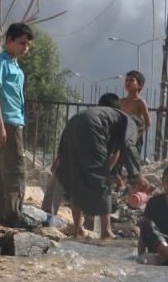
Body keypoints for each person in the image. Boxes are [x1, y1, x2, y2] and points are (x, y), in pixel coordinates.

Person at [55, 98, 148, 239]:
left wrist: (101, 174)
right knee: (102, 181)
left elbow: (112, 155)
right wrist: (137, 175)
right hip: (91, 126)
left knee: (76, 178)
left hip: (72, 124)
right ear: (139, 129)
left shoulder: (114, 122)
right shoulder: (131, 123)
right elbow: (129, 145)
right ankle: (106, 231)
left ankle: (78, 229)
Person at [0, 22, 36, 229]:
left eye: (28, 44)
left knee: (5, 170)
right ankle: (14, 215)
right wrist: (0, 126)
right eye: (22, 43)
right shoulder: (1, 63)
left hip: (16, 121)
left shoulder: (15, 66)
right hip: (8, 122)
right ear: (9, 41)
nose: (26, 48)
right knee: (17, 170)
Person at [114, 71, 152, 190]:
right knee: (117, 159)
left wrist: (138, 134)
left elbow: (147, 121)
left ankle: (135, 185)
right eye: (127, 80)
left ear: (139, 85)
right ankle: (119, 184)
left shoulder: (140, 102)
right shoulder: (121, 101)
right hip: (121, 135)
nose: (128, 82)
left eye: (132, 80)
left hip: (134, 136)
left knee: (132, 159)